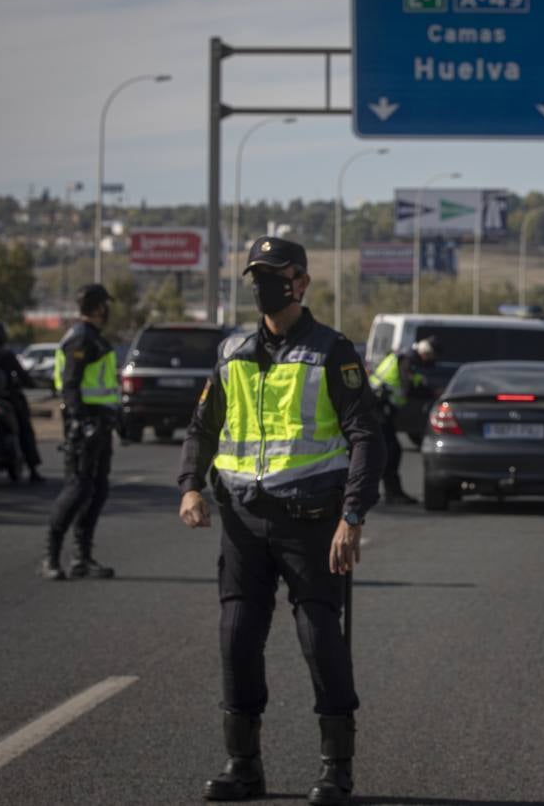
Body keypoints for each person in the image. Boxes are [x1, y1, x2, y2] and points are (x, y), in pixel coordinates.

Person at [177, 236, 383, 805]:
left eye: (274, 273)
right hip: (243, 521)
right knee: (237, 639)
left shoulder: (332, 351)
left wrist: (352, 516)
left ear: (301, 281)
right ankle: (244, 767)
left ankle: (336, 770)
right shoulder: (233, 352)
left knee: (320, 640)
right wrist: (190, 486)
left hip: (312, 523)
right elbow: (203, 428)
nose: (263, 284)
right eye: (256, 275)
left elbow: (367, 437)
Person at [43, 284, 119, 581]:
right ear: (98, 307)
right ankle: (51, 557)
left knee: (97, 489)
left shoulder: (94, 338)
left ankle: (82, 557)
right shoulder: (81, 339)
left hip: (100, 422)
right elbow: (70, 385)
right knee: (77, 489)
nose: (108, 310)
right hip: (85, 425)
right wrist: (80, 422)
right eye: (105, 305)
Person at [368, 335, 439, 504]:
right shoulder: (406, 361)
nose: (429, 362)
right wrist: (430, 393)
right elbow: (408, 389)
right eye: (430, 357)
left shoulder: (405, 359)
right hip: (377, 408)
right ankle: (391, 493)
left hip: (380, 408)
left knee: (386, 451)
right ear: (425, 352)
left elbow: (412, 383)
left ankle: (389, 492)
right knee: (390, 451)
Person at [0, 320, 44, 484]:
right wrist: (30, 383)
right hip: (7, 400)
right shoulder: (6, 355)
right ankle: (33, 468)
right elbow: (22, 376)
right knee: (24, 428)